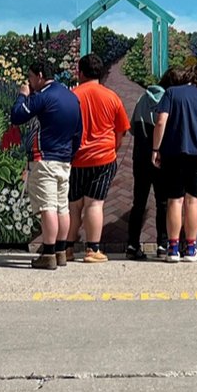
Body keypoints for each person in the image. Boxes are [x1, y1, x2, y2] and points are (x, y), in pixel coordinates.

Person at [10, 60, 83, 269]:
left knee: (47, 207)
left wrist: (23, 95)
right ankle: (61, 250)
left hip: (44, 159)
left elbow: (17, 116)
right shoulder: (72, 97)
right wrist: (70, 153)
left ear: (40, 75)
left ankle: (48, 253)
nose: (30, 82)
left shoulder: (43, 96)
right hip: (64, 159)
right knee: (62, 207)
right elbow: (78, 132)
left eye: (31, 77)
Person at [64, 54, 130, 263]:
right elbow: (121, 131)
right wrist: (113, 148)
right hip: (103, 158)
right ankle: (92, 249)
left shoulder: (72, 96)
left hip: (75, 160)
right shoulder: (112, 97)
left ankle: (66, 248)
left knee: (73, 207)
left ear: (80, 73)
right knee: (94, 205)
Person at [152, 65, 197, 262]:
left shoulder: (171, 93)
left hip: (173, 152)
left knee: (174, 200)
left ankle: (173, 248)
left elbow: (161, 121)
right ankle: (191, 248)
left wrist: (155, 149)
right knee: (193, 200)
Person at [125, 68, 181, 259]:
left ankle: (132, 244)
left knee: (139, 202)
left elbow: (132, 128)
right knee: (163, 202)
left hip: (140, 157)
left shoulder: (142, 99)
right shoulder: (169, 100)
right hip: (161, 157)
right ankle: (163, 244)